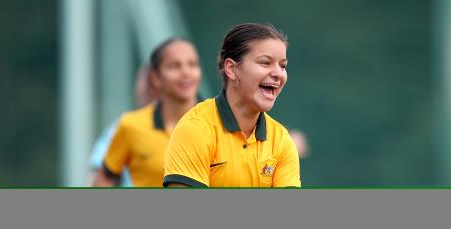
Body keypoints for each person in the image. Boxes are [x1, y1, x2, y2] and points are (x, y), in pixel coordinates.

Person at [163, 23, 301, 188]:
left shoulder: (282, 140)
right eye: (265, 63)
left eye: (283, 66)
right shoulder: (195, 128)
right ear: (231, 68)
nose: (278, 73)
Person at [93, 37, 202, 187]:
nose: (186, 73)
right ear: (155, 78)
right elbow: (103, 179)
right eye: (174, 66)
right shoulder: (130, 125)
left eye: (192, 64)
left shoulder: (220, 123)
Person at [88, 64, 155, 187]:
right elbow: (100, 179)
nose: (144, 87)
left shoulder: (191, 125)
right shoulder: (125, 126)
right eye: (144, 80)